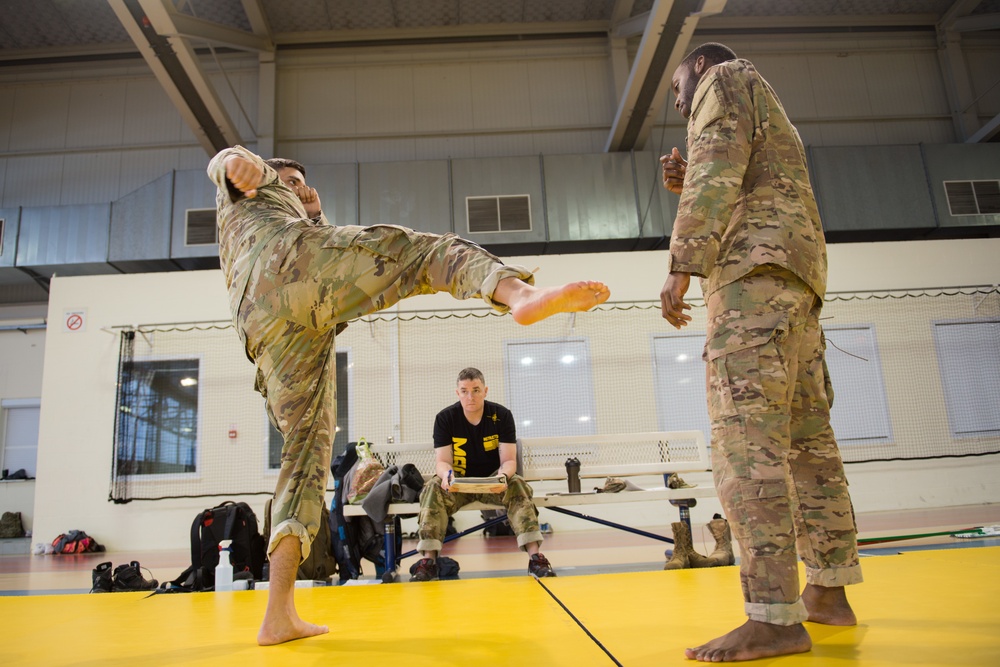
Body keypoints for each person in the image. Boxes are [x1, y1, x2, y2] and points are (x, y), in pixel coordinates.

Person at [207, 146, 609, 646]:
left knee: (304, 457)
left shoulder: (292, 219)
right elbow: (228, 162)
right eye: (290, 180)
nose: (297, 186)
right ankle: (518, 295)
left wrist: (312, 209)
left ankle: (278, 613)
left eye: (302, 184)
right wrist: (235, 161)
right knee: (424, 254)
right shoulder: (257, 190)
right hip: (284, 265)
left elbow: (320, 249)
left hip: (265, 328)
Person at [658, 43, 862, 662]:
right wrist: (685, 180)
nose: (676, 99)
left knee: (747, 446)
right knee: (808, 447)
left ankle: (774, 618)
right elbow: (741, 181)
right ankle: (828, 591)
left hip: (752, 289)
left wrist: (681, 266)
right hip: (795, 283)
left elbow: (718, 166)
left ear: (698, 67)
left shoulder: (722, 77)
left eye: (675, 86)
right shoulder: (769, 105)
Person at [411, 367, 555, 581]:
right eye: (465, 391)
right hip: (458, 485)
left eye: (476, 390)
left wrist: (503, 477)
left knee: (517, 484)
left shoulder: (502, 416)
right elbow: (442, 461)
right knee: (432, 487)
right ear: (457, 393)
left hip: (492, 484)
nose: (471, 396)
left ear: (485, 391)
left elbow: (508, 460)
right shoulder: (445, 418)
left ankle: (536, 559)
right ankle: (429, 561)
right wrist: (447, 476)